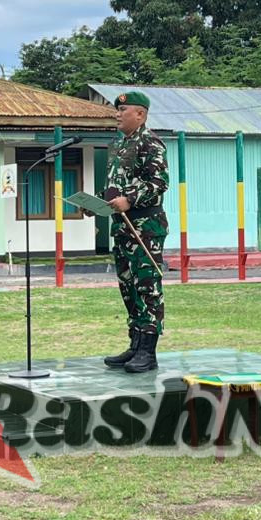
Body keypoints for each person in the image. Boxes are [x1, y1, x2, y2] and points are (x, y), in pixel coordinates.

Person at [94, 91, 170, 372]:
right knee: (128, 287)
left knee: (147, 286)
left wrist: (131, 199)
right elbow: (116, 185)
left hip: (145, 227)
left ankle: (148, 351)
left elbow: (159, 182)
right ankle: (135, 344)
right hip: (122, 227)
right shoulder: (118, 145)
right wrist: (99, 202)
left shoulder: (150, 143)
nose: (117, 114)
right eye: (118, 109)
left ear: (140, 114)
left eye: (123, 110)